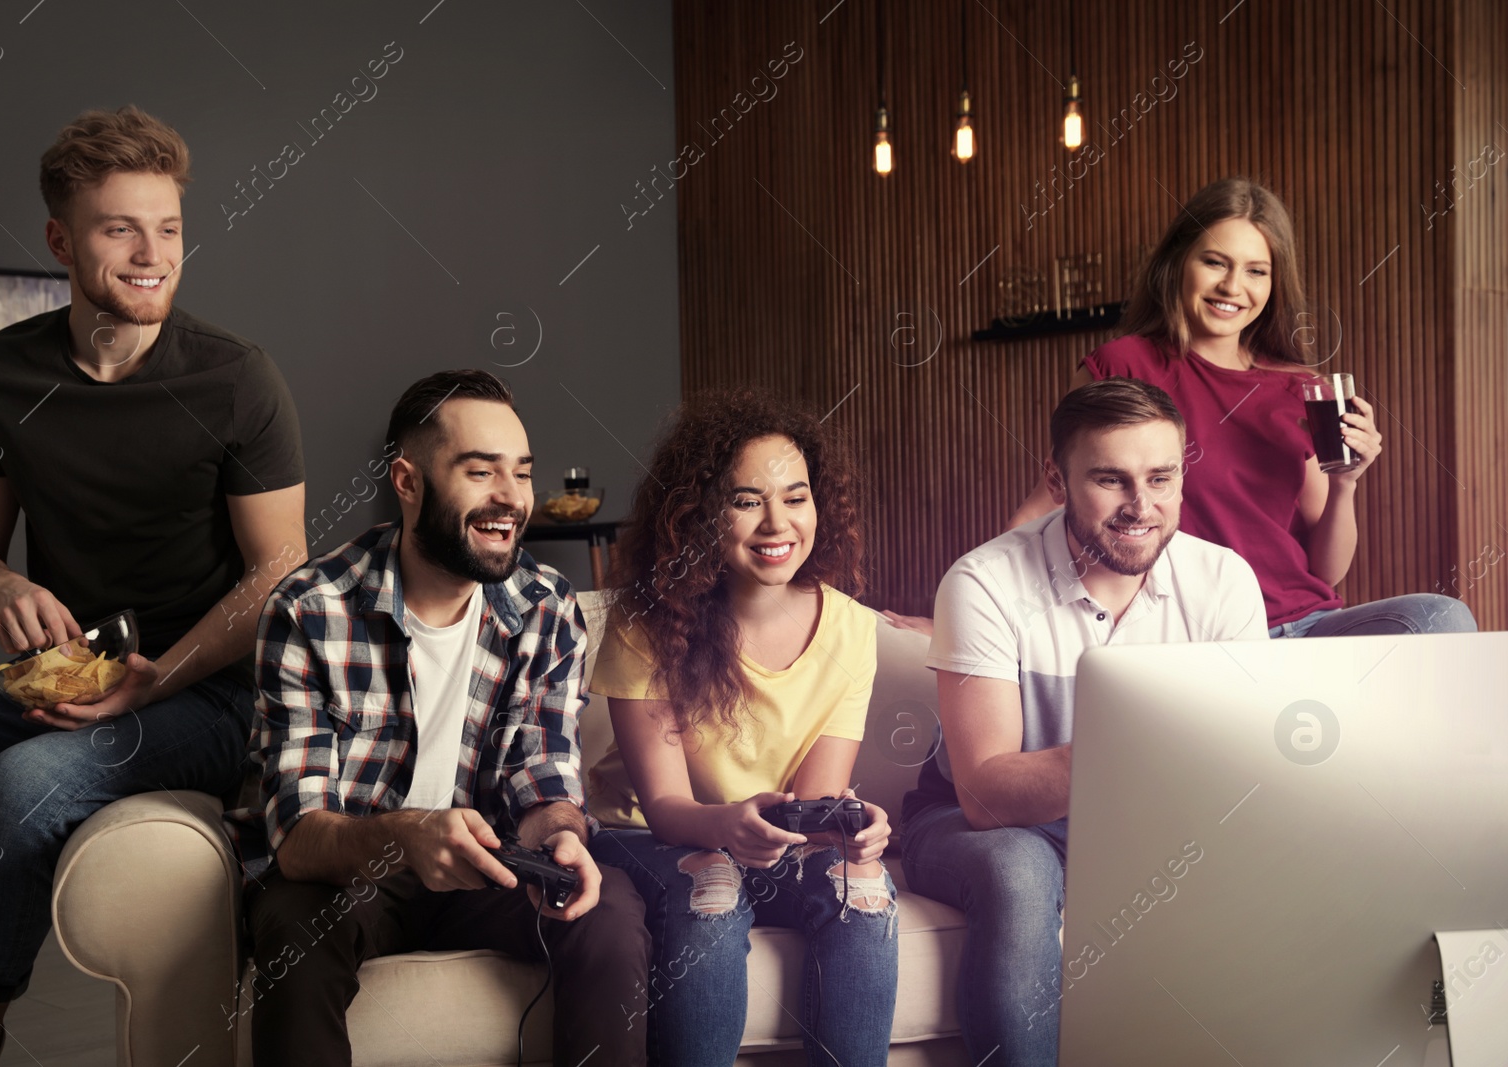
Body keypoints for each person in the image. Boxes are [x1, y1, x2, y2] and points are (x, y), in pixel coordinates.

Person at [0, 106, 307, 1066]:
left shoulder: (238, 379)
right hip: (70, 674)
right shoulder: (1, 374)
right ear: (60, 239)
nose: (151, 252)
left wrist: (159, 675)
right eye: (118, 227)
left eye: (167, 227)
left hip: (212, 691)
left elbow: (279, 573)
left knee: (22, 784)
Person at [225, 370, 648, 1067]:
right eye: (480, 471)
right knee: (293, 918)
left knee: (607, 905)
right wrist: (406, 835)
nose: (511, 497)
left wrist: (564, 835)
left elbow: (540, 777)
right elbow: (296, 840)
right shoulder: (310, 607)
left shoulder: (546, 607)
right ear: (408, 480)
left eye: (521, 473)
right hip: (350, 872)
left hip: (488, 868)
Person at [899, 377, 1268, 1066]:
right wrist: (1143, 745)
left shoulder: (1223, 582)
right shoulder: (983, 583)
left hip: (1144, 822)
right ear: (1057, 478)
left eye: (1161, 477)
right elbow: (983, 794)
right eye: (1111, 479)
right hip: (976, 822)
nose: (1142, 506)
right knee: (1018, 870)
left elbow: (1236, 769)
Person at [1006, 177, 1475, 639]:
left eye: (1256, 270)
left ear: (1274, 282)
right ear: (1178, 263)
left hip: (1300, 624)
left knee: (1443, 618)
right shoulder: (1122, 365)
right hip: (1193, 632)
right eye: (1215, 262)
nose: (1233, 286)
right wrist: (977, 607)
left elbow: (1325, 572)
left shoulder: (1301, 389)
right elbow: (1049, 506)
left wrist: (1345, 484)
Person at [585, 391, 899, 1067]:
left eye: (796, 495)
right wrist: (728, 827)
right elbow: (668, 809)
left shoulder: (851, 627)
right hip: (645, 832)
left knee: (863, 886)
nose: (777, 521)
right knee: (714, 886)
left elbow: (810, 808)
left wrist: (854, 823)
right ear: (699, 513)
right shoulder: (646, 622)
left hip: (768, 835)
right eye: (746, 499)